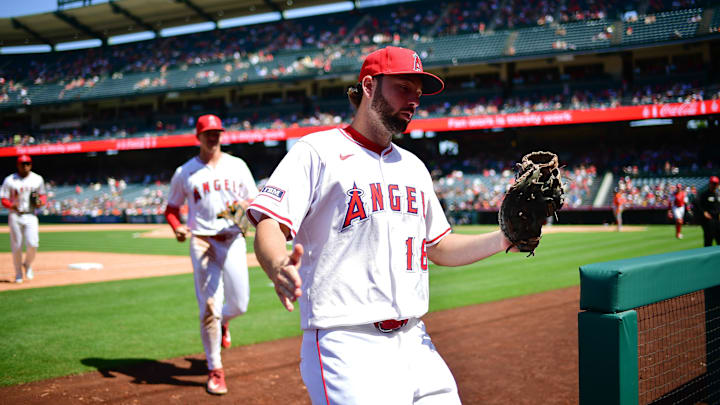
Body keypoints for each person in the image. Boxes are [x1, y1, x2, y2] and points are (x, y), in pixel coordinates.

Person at [247, 46, 526, 405]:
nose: (413, 101)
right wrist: (277, 264)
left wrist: (506, 237)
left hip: (415, 340)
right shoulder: (316, 151)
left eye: (418, 94)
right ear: (368, 86)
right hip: (346, 342)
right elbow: (270, 224)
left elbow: (439, 247)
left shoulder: (413, 167)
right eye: (403, 89)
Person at [164, 114, 258, 395]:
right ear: (199, 136)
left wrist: (245, 204)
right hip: (202, 241)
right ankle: (215, 369)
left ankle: (225, 321)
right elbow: (171, 209)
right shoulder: (185, 172)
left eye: (217, 132)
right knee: (209, 307)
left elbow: (254, 200)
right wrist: (177, 226)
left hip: (233, 239)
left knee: (240, 303)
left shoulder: (237, 165)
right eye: (208, 132)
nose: (213, 136)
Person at [1, 154, 46, 283]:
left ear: (31, 165)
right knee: (16, 246)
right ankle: (18, 273)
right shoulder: (10, 180)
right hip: (15, 215)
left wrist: (40, 202)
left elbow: (42, 196)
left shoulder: (37, 179)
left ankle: (27, 264)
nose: (25, 166)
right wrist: (10, 205)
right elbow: (3, 199)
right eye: (23, 164)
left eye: (27, 163)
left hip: (31, 214)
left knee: (33, 243)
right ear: (18, 165)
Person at [697, 176, 720, 247]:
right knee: (708, 240)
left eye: (715, 184)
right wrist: (704, 212)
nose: (714, 185)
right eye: (712, 183)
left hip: (717, 220)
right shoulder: (704, 194)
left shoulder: (718, 195)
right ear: (709, 184)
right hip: (708, 220)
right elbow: (698, 205)